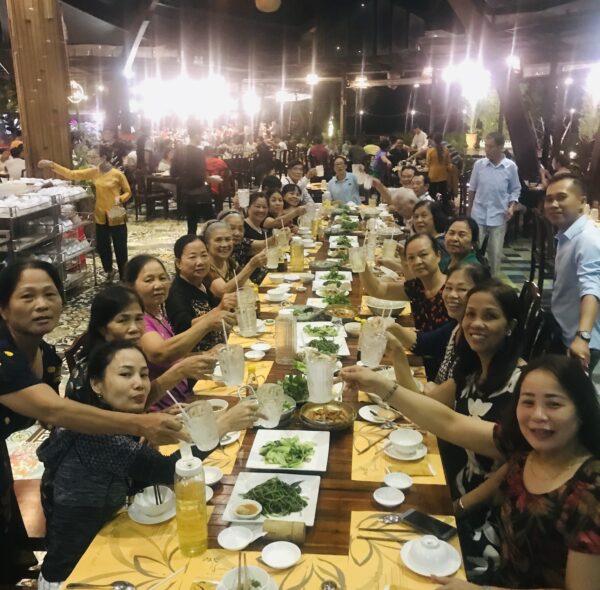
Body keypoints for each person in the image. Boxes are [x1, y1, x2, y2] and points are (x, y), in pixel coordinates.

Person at [341, 354, 600, 590]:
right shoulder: (524, 445)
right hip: (492, 570)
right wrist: (380, 384)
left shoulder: (590, 491)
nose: (538, 415)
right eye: (528, 402)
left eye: (554, 404)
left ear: (581, 411)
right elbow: (449, 422)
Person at [0, 261, 184, 583]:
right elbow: (55, 411)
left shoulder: (47, 356)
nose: (42, 304)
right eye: (27, 296)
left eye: (50, 294)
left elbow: (52, 416)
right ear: (3, 308)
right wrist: (138, 425)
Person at [37, 340, 262, 588]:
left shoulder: (116, 419)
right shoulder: (96, 437)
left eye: (144, 374)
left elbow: (140, 474)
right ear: (96, 384)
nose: (139, 384)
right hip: (76, 574)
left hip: (109, 538)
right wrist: (224, 425)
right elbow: (167, 471)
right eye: (125, 374)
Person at [386, 264, 491, 390]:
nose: (452, 295)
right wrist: (389, 326)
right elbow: (425, 343)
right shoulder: (456, 327)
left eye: (462, 289)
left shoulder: (476, 345)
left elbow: (436, 399)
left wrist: (397, 354)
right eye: (448, 287)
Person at [360, 233, 450, 378]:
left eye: (423, 255)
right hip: (425, 361)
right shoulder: (418, 287)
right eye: (411, 258)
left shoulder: (451, 292)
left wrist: (390, 326)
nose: (417, 261)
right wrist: (361, 265)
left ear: (438, 255)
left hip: (445, 370)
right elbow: (378, 289)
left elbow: (429, 344)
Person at [38, 145, 132, 282]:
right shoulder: (94, 172)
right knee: (102, 246)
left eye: (94, 157)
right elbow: (71, 174)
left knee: (120, 246)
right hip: (100, 214)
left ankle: (125, 275)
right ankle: (109, 270)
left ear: (104, 158)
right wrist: (52, 165)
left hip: (116, 214)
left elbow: (128, 192)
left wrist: (121, 198)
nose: (91, 160)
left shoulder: (117, 174)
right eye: (89, 157)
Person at [544, 173, 600, 371]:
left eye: (561, 197)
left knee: (570, 387)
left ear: (581, 202)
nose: (554, 205)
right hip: (565, 326)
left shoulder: (587, 239)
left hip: (580, 339)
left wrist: (582, 337)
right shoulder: (568, 233)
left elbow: (592, 287)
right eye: (549, 199)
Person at [166, 234, 237, 352]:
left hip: (223, 347)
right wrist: (219, 309)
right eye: (192, 257)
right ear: (178, 263)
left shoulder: (204, 282)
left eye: (204, 255)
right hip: (202, 356)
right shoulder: (176, 293)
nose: (200, 262)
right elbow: (185, 328)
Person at [467, 132, 521, 277]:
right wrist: (469, 211)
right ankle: (475, 280)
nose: (487, 149)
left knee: (495, 254)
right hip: (478, 214)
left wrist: (511, 207)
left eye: (491, 147)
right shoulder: (479, 165)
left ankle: (493, 281)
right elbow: (472, 189)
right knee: (475, 252)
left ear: (500, 147)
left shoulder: (510, 167)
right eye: (486, 146)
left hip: (499, 215)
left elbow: (515, 189)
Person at [203, 221, 266, 298]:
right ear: (207, 244)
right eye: (218, 240)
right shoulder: (204, 266)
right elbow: (223, 292)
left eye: (228, 239)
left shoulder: (229, 261)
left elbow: (249, 286)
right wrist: (251, 265)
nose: (224, 244)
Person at [170, 124, 211, 235]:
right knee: (210, 222)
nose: (201, 138)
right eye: (201, 135)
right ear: (196, 135)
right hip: (199, 193)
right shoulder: (199, 152)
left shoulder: (179, 151)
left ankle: (191, 242)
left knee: (191, 224)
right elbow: (200, 176)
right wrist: (211, 179)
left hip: (185, 192)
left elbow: (173, 172)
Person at [426, 133, 451, 210]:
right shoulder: (446, 150)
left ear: (433, 140)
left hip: (432, 175)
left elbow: (427, 163)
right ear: (441, 140)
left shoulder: (430, 150)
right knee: (444, 194)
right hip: (443, 175)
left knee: (432, 194)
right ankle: (446, 210)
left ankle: (432, 209)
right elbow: (448, 163)